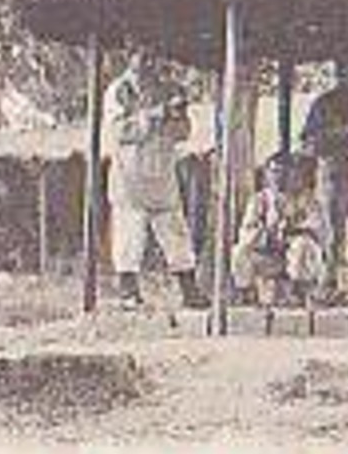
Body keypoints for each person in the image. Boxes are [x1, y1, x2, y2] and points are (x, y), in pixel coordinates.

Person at [105, 53, 209, 309]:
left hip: (162, 173)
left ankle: (189, 290)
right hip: (130, 173)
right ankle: (128, 292)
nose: (149, 62)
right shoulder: (120, 90)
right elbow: (120, 132)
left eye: (153, 55)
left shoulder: (168, 89)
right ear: (130, 55)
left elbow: (183, 133)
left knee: (176, 232)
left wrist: (177, 114)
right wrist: (154, 115)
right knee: (130, 234)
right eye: (142, 55)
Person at [299, 66, 348, 295]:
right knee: (332, 231)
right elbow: (308, 143)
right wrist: (340, 135)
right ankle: (328, 281)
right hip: (334, 172)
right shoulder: (324, 104)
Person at [232, 152, 325, 307]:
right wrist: (267, 234)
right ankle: (246, 294)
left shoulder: (307, 199)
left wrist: (292, 231)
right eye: (274, 172)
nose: (278, 178)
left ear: (293, 174)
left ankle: (299, 292)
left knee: (304, 246)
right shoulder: (259, 200)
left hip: (294, 256)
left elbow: (317, 229)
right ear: (267, 174)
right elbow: (246, 232)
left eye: (284, 173)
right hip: (269, 255)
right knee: (240, 252)